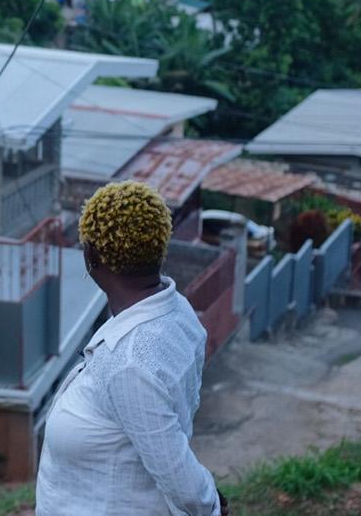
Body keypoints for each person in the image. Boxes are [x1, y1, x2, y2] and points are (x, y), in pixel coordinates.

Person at [35, 181, 227, 516]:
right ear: (159, 246)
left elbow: (178, 476)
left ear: (91, 255)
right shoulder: (178, 312)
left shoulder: (129, 362)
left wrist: (210, 504)